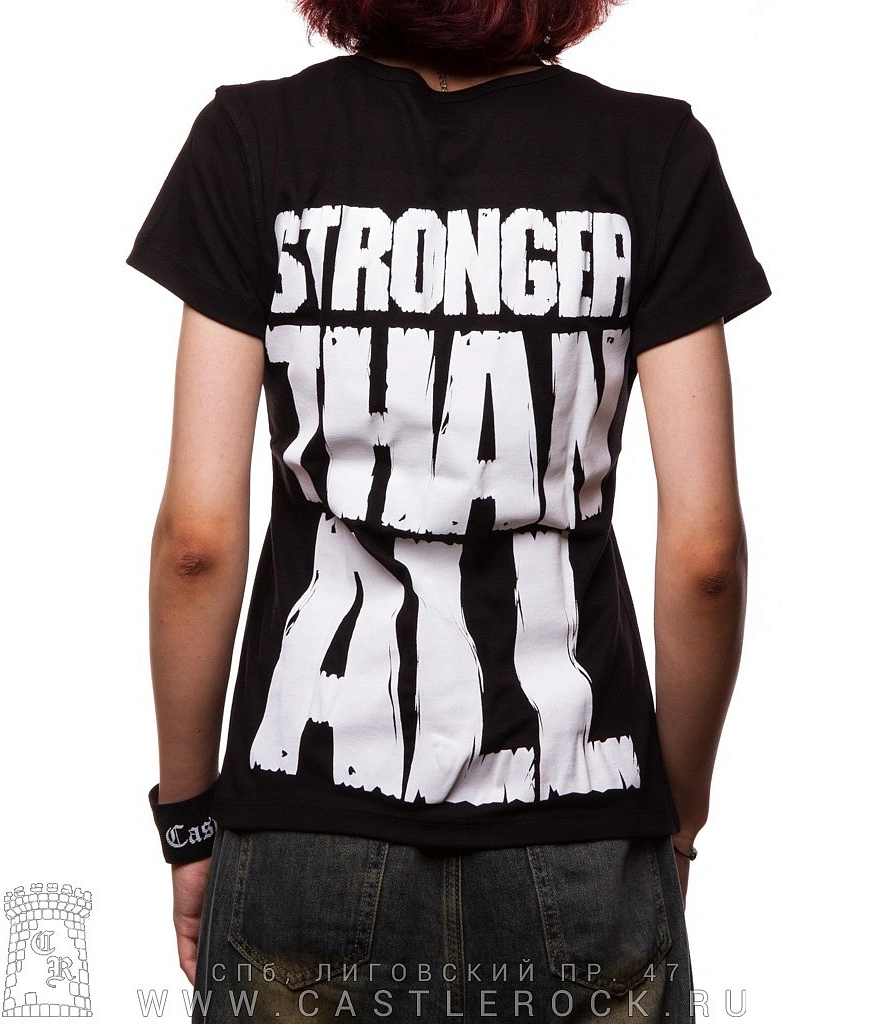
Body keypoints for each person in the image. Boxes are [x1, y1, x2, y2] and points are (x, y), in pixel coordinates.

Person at [128, 1, 771, 1020]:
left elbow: (195, 543)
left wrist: (189, 822)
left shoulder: (251, 141)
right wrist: (671, 824)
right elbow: (706, 557)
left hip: (304, 817)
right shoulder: (652, 152)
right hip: (580, 823)